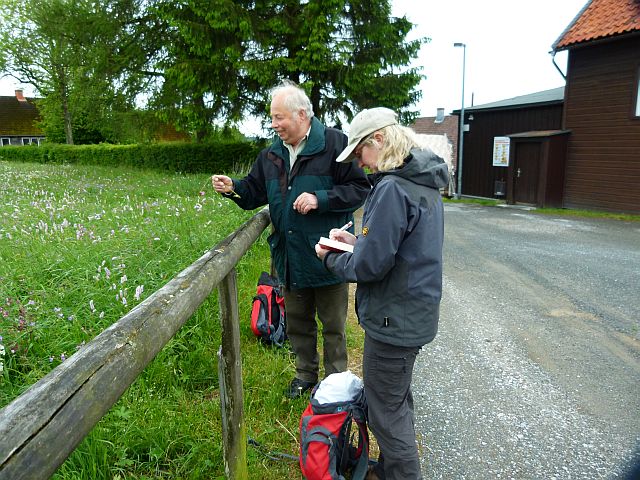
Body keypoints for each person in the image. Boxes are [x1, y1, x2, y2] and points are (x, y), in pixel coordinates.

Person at [212, 80, 370, 398]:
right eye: (272, 118)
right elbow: (255, 191)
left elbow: (360, 189)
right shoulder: (271, 155)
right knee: (298, 322)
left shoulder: (336, 144)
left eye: (279, 117)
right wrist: (234, 187)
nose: (274, 124)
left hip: (328, 256)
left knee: (333, 325)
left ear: (301, 115)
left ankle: (336, 383)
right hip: (289, 256)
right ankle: (305, 375)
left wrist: (320, 198)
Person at [315, 107, 448, 480]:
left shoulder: (391, 187)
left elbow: (372, 266)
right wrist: (356, 241)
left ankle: (402, 473)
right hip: (412, 312)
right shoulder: (420, 181)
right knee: (395, 401)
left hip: (395, 318)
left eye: (359, 154)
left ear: (378, 140)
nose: (360, 164)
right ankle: (390, 470)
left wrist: (330, 258)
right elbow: (399, 250)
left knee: (386, 413)